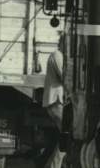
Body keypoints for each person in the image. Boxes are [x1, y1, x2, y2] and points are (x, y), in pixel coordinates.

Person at [41, 34, 67, 168]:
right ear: (63, 42)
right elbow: (64, 77)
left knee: (63, 136)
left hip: (55, 101)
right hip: (55, 101)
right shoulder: (57, 55)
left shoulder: (60, 55)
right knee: (68, 135)